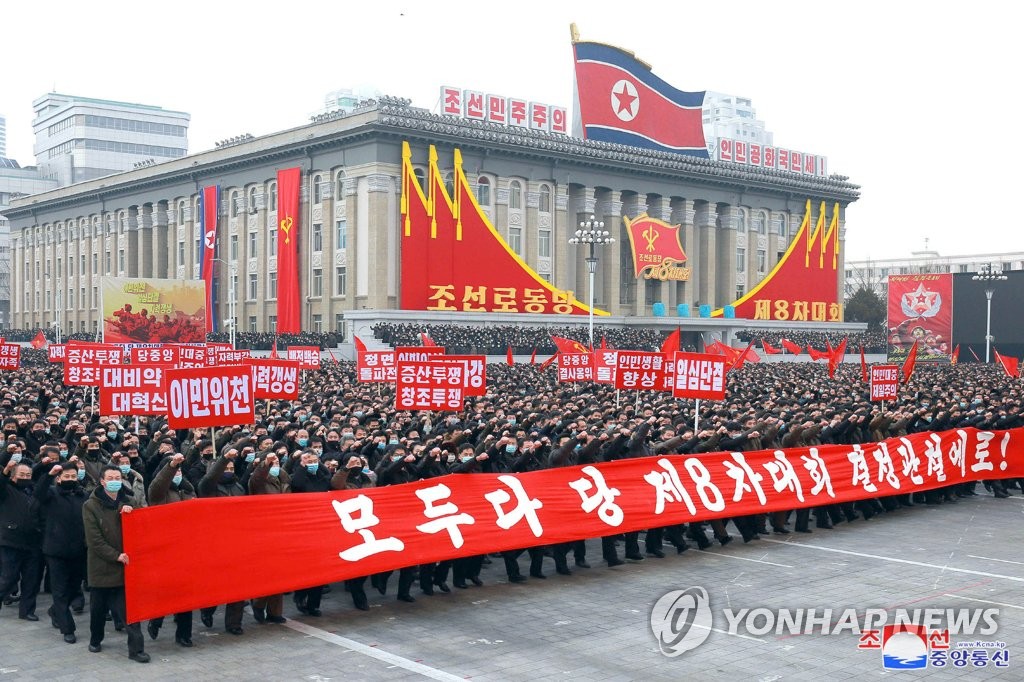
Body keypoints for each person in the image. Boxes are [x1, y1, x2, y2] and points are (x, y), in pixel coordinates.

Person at [82, 465, 149, 663]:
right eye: (110, 477)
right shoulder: (90, 506)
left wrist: (131, 513)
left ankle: (136, 650)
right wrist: (116, 555)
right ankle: (96, 639)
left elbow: (142, 526)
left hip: (125, 568)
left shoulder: (129, 501)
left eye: (117, 477)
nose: (114, 480)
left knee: (130, 613)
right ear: (102, 481)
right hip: (102, 569)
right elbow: (94, 540)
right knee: (98, 611)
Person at [145, 453, 197, 646]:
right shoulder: (159, 493)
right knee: (166, 590)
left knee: (186, 593)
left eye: (180, 470)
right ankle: (156, 619)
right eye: (175, 470)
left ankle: (184, 634)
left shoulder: (188, 490)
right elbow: (158, 484)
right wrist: (171, 465)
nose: (178, 473)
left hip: (187, 547)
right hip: (165, 548)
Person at [34, 458, 88, 643]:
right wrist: (48, 475)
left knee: (74, 589)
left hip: (78, 550)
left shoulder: (82, 495)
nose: (71, 478)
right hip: (56, 551)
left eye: (73, 475)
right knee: (60, 591)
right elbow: (38, 493)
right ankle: (67, 629)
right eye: (66, 476)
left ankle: (55, 610)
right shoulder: (51, 494)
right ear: (59, 478)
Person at [0, 459, 43, 622]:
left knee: (31, 579)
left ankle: (27, 610)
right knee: (8, 577)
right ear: (13, 477)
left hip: (32, 542)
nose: (25, 477)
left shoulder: (32, 491)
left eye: (28, 475)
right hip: (11, 541)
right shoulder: (6, 490)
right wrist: (6, 471)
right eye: (22, 475)